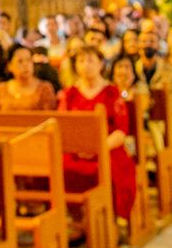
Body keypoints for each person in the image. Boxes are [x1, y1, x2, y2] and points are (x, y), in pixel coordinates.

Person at [58, 41, 137, 227]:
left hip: (107, 147)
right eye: (81, 61)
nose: (86, 65)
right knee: (61, 166)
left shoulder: (111, 92)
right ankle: (74, 220)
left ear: (101, 64)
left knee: (113, 167)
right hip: (76, 150)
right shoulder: (70, 94)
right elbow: (62, 125)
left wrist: (99, 147)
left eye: (91, 60)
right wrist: (79, 147)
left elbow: (121, 130)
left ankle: (115, 220)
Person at [0, 43, 56, 112]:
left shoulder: (44, 89)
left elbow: (49, 118)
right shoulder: (1, 90)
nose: (25, 65)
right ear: (9, 66)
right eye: (20, 61)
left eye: (29, 60)